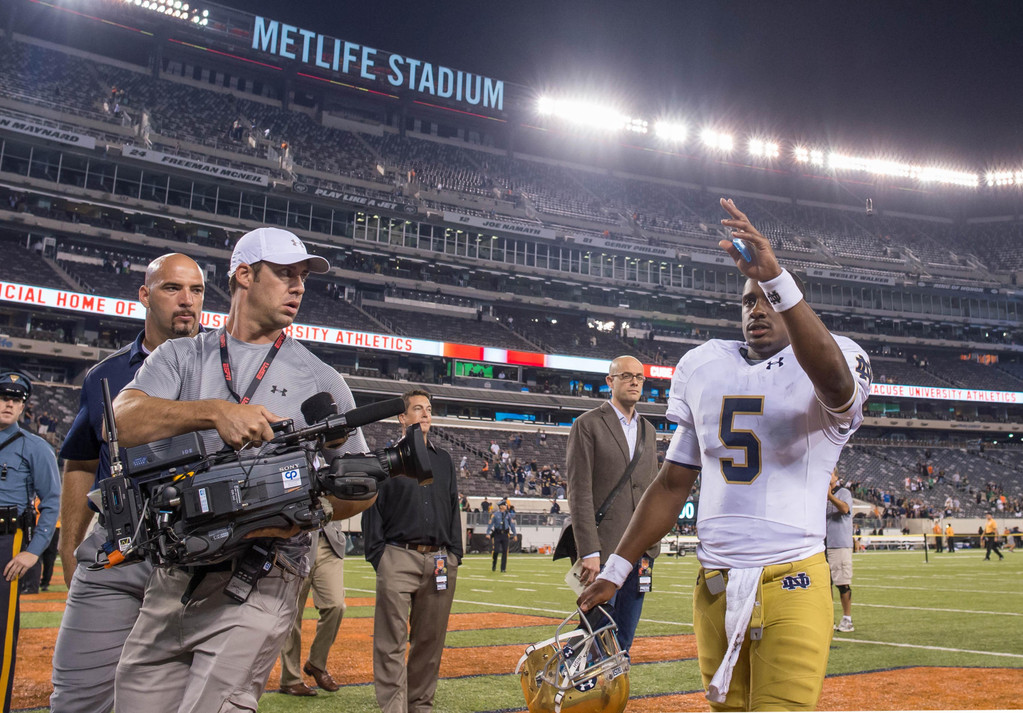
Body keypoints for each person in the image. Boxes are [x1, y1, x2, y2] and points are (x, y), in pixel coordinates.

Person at [578, 198, 872, 711]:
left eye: (768, 299)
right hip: (713, 585)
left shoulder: (838, 355)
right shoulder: (705, 367)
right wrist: (617, 568)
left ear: (791, 300)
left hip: (792, 577)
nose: (757, 309)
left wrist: (776, 279)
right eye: (748, 301)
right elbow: (672, 483)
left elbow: (838, 388)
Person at [109, 228, 373, 712]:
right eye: (285, 273)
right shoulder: (182, 354)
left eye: (302, 277)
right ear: (245, 275)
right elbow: (123, 420)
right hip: (175, 573)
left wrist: (303, 507)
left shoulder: (321, 379)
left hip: (263, 574)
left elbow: (361, 488)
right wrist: (214, 412)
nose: (298, 286)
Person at [51, 253, 206, 713]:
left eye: (196, 290)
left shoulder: (223, 368)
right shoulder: (105, 374)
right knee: (81, 698)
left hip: (194, 556)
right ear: (144, 295)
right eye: (172, 288)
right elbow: (81, 460)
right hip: (119, 547)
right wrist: (69, 546)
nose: (187, 300)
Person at [361, 389, 462, 713]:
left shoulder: (444, 460)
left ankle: (420, 706)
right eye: (418, 408)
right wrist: (380, 557)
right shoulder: (385, 459)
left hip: (440, 560)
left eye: (428, 408)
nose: (426, 413)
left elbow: (452, 506)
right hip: (398, 555)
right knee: (390, 643)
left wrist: (455, 555)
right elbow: (372, 511)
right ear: (402, 418)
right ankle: (394, 709)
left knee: (429, 644)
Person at [565, 355, 660, 653]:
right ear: (610, 381)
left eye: (639, 377)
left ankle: (615, 685)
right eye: (626, 376)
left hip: (638, 551)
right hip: (602, 549)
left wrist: (652, 545)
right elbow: (579, 492)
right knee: (594, 633)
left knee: (624, 638)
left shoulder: (649, 430)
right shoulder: (587, 424)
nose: (634, 382)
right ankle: (572, 680)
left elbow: (652, 490)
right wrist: (589, 551)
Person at [0, 372, 60, 713]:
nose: (9, 404)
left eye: (16, 400)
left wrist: (33, 552)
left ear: (23, 407)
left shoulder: (35, 447)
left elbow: (51, 502)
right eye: (3, 397)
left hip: (7, 542)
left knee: (0, 632)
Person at [278, 521, 347, 696]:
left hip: (329, 541)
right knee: (292, 613)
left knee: (336, 605)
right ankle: (290, 679)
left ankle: (316, 663)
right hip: (296, 541)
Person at [826, 471, 854, 633]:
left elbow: (844, 508)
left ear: (836, 477)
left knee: (842, 583)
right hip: (822, 545)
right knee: (825, 585)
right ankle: (828, 619)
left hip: (839, 544)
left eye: (831, 473)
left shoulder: (844, 493)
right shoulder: (818, 494)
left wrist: (829, 496)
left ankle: (847, 619)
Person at [486, 500, 516, 572]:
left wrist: (515, 534)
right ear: (501, 506)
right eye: (505, 505)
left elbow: (512, 525)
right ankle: (494, 563)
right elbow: (490, 524)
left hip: (505, 534)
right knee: (496, 550)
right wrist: (487, 533)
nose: (506, 507)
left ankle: (503, 568)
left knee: (505, 551)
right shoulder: (495, 515)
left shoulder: (508, 515)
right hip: (497, 534)